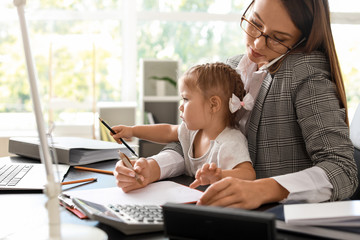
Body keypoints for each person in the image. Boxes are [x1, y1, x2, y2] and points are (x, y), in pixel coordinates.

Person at [113, 0, 358, 209]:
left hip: (276, 221)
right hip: (223, 212)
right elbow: (192, 138)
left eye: (277, 38)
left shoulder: (306, 76)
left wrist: (264, 189)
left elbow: (343, 170)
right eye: (255, 24)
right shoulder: (232, 69)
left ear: (301, 41)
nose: (258, 44)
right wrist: (153, 168)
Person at [112, 62, 256, 192]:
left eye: (186, 99)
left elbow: (248, 174)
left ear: (213, 105)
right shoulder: (193, 132)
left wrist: (220, 175)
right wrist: (132, 131)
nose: (181, 106)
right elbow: (168, 131)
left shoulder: (230, 141)